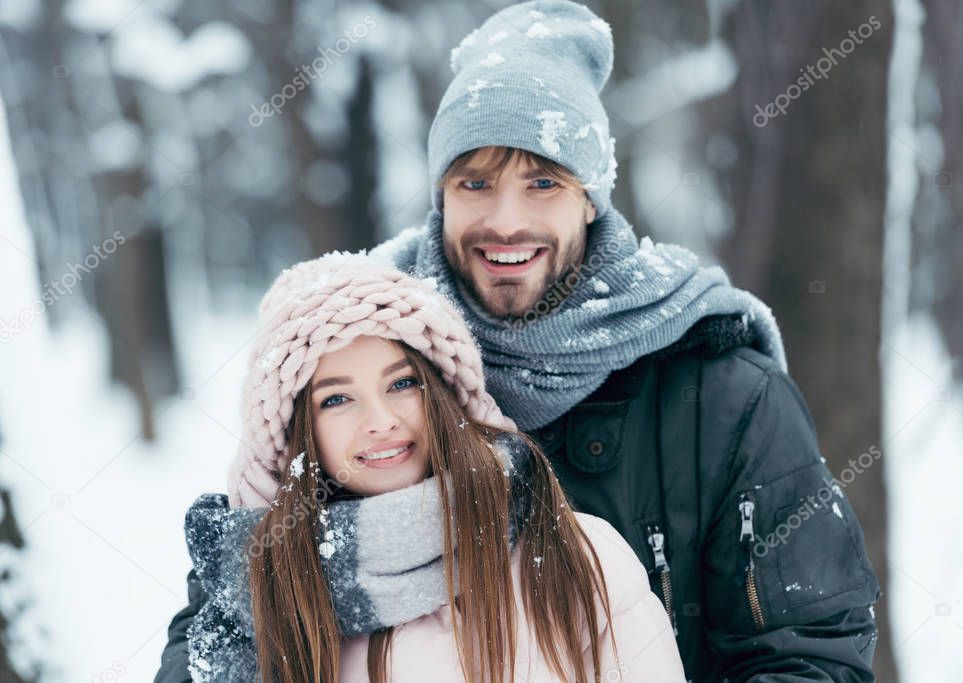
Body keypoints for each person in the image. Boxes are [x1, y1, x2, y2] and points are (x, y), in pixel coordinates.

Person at [158, 1, 881, 680]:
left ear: (590, 199)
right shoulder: (362, 346)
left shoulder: (722, 393)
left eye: (542, 182)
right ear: (439, 195)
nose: (505, 221)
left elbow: (809, 651)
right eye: (474, 183)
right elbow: (239, 581)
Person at [181, 253, 685, 682]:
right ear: (296, 436)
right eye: (336, 399)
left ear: (444, 394)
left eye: (402, 384)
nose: (380, 421)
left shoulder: (576, 560)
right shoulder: (265, 604)